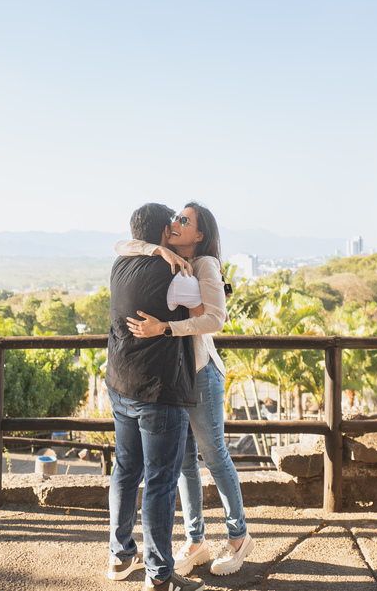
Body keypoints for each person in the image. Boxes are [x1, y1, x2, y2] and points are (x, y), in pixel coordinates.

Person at [120, 202, 255, 577]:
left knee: (214, 456)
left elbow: (217, 319)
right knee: (183, 463)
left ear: (199, 234)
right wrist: (157, 248)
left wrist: (166, 327)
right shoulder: (171, 261)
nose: (175, 223)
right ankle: (195, 542)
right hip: (178, 376)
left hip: (201, 372)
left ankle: (238, 537)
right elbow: (123, 246)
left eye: (184, 220)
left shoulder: (206, 264)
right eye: (175, 219)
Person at [105, 202, 205, 591]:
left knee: (126, 471)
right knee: (161, 483)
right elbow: (205, 318)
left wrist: (153, 248)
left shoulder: (120, 266)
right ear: (165, 232)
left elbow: (123, 247)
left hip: (121, 385)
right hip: (158, 391)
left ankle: (120, 556)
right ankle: (159, 575)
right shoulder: (178, 273)